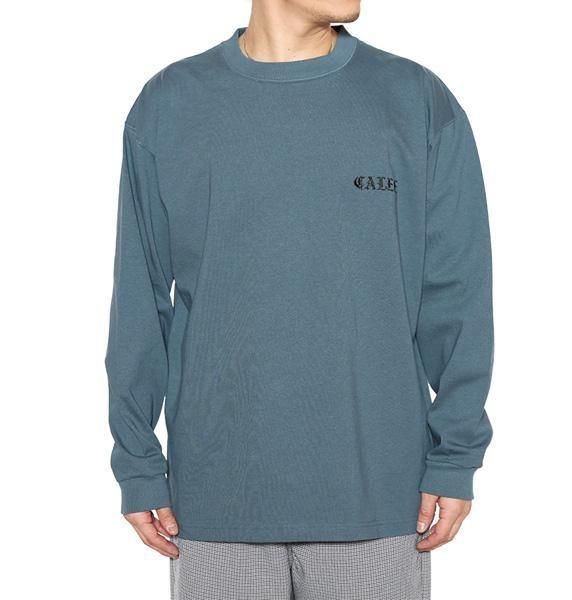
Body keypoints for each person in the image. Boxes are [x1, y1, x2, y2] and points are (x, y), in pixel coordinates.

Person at [105, 0, 494, 597]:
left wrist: (456, 455)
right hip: (216, 500)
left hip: (379, 501)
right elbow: (140, 300)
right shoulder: (171, 104)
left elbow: (457, 295)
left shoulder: (415, 100)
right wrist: (136, 462)